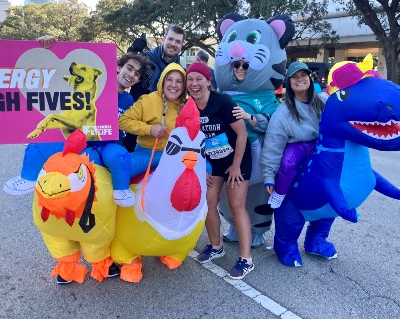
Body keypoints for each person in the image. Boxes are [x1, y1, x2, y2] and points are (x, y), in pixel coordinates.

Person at [3, 39, 150, 207]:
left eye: (137, 74)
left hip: (108, 147)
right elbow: (55, 76)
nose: (131, 75)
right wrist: (48, 43)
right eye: (129, 68)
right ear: (118, 67)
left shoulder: (130, 100)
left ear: (138, 80)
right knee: (38, 146)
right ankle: (27, 178)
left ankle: (121, 191)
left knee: (119, 157)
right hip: (82, 141)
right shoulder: (96, 86)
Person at [186, 62, 254, 280]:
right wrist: (200, 166)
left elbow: (242, 134)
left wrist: (235, 165)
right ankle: (216, 246)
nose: (194, 84)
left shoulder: (223, 101)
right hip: (211, 163)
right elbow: (191, 140)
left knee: (236, 205)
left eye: (199, 79)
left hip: (237, 159)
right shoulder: (189, 106)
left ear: (208, 81)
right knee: (207, 203)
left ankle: (246, 260)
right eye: (190, 79)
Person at [261, 61, 326, 210]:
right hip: (299, 145)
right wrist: (269, 175)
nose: (300, 79)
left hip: (322, 143)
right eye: (294, 77)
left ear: (310, 78)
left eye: (303, 75)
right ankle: (279, 194)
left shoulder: (324, 100)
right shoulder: (283, 112)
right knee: (289, 163)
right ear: (289, 82)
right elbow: (273, 144)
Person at [118, 63, 187, 196]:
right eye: (169, 80)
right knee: (121, 168)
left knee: (205, 168)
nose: (174, 85)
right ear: (162, 81)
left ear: (183, 86)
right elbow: (122, 121)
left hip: (175, 158)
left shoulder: (187, 105)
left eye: (179, 81)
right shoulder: (148, 100)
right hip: (146, 153)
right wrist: (149, 129)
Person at [124, 24, 185, 152]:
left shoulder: (179, 72)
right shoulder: (145, 58)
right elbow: (124, 71)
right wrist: (133, 51)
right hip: (136, 118)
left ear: (181, 45)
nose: (173, 44)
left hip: (162, 128)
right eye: (171, 39)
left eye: (178, 41)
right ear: (164, 39)